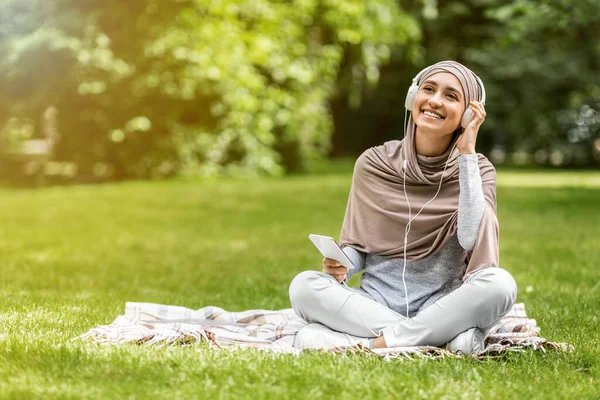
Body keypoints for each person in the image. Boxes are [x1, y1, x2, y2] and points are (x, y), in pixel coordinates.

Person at [288, 60, 517, 355]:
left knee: (500, 285)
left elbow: (472, 237)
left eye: (450, 96)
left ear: (468, 114)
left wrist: (467, 155)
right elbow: (360, 245)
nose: (435, 101)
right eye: (429, 89)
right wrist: (342, 264)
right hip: (375, 304)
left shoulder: (477, 169)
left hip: (442, 304)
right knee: (304, 286)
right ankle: (439, 339)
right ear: (413, 97)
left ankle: (371, 344)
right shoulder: (374, 163)